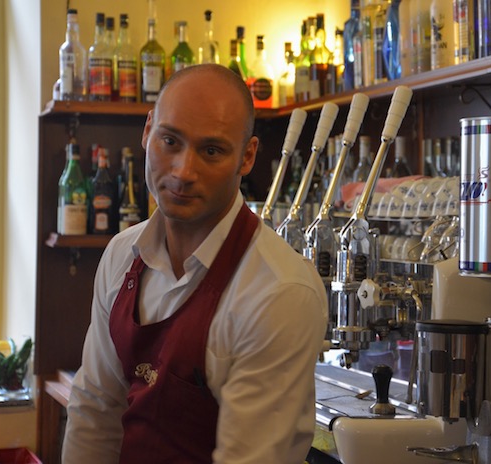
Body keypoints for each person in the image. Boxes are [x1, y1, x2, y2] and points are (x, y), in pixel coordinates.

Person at [62, 64, 328, 463]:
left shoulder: (280, 291)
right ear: (149, 129)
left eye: (211, 150)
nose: (183, 172)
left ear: (247, 156)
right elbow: (95, 410)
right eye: (170, 140)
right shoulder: (121, 254)